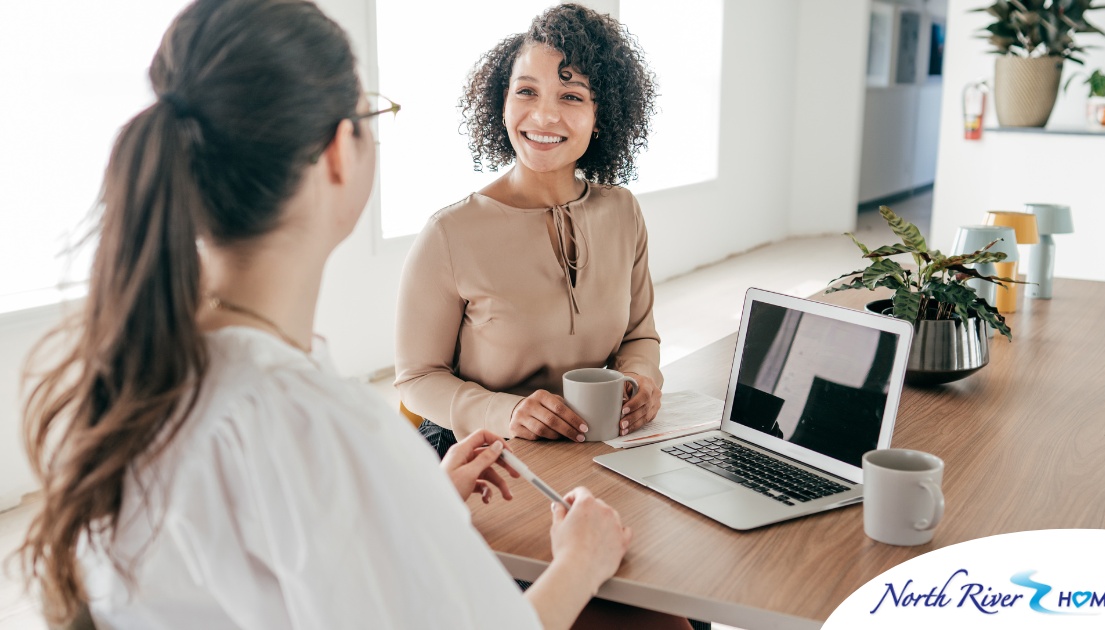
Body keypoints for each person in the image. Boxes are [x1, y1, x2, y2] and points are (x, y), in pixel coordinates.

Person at [17, 1, 656, 628]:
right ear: (336, 152)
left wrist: (419, 501)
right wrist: (581, 560)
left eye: (572, 96)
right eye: (369, 115)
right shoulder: (322, 428)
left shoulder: (136, 375)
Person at [395, 3, 663, 457]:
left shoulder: (622, 211)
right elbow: (417, 380)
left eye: (571, 96)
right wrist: (506, 412)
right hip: (478, 454)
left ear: (602, 116)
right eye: (526, 92)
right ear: (502, 103)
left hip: (590, 446)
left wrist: (642, 380)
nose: (542, 116)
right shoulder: (449, 233)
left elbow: (639, 335)